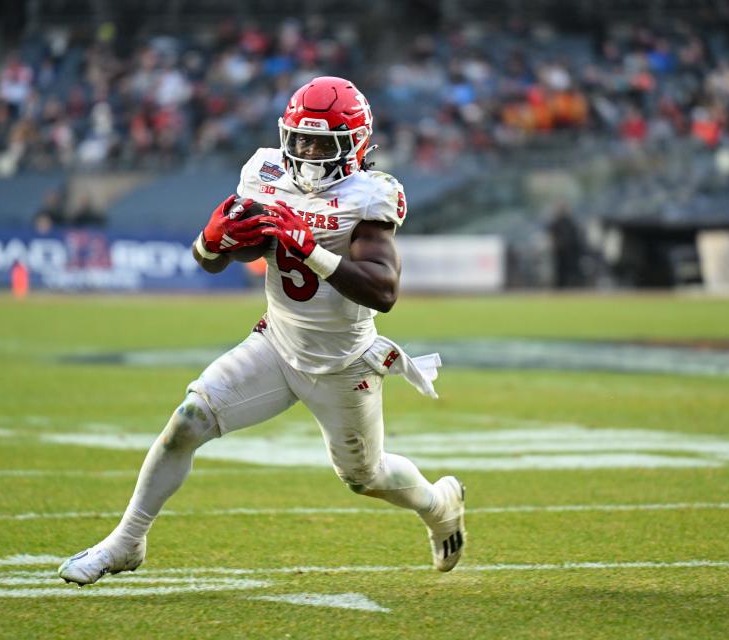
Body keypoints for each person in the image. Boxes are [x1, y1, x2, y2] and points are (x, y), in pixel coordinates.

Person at [58, 77, 466, 585]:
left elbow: (383, 290)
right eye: (302, 139)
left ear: (356, 145)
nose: (310, 152)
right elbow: (235, 252)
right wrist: (210, 244)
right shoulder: (265, 170)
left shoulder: (370, 195)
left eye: (325, 143)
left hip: (341, 364)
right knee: (187, 420)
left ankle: (439, 505)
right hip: (275, 343)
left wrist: (311, 247)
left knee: (366, 477)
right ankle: (126, 541)